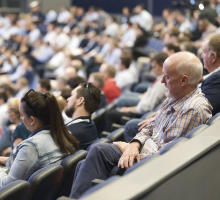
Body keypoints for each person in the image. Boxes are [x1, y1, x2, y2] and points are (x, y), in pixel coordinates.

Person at [70, 52, 212, 198]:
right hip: (142, 150)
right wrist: (134, 144)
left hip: (149, 164)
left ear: (183, 80)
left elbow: (166, 158)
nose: (162, 81)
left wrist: (129, 148)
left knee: (98, 150)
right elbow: (150, 127)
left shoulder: (192, 109)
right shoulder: (176, 96)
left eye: (167, 77)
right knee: (83, 164)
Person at [0, 90, 79, 187]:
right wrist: (5, 160)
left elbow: (9, 185)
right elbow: (28, 161)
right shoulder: (66, 134)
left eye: (22, 115)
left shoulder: (31, 146)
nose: (21, 118)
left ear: (32, 120)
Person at [65, 82, 101, 149]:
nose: (68, 99)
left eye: (71, 95)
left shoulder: (69, 133)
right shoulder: (90, 124)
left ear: (80, 100)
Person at [201, 34, 220, 115]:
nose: (201, 56)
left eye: (204, 52)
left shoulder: (215, 79)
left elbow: (202, 112)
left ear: (213, 57)